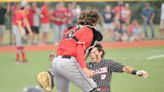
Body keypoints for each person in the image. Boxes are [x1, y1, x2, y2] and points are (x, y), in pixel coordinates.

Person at [38, 43, 149, 92]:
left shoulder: (108, 63)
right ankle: (51, 77)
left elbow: (125, 68)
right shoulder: (86, 66)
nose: (91, 55)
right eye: (90, 53)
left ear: (100, 53)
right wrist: (56, 60)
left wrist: (138, 72)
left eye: (94, 52)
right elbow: (69, 69)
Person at [51, 9, 103, 92]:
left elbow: (62, 46)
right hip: (68, 63)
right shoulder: (88, 30)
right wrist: (84, 68)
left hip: (56, 61)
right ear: (94, 22)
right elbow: (79, 49)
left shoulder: (72, 29)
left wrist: (53, 68)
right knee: (93, 89)